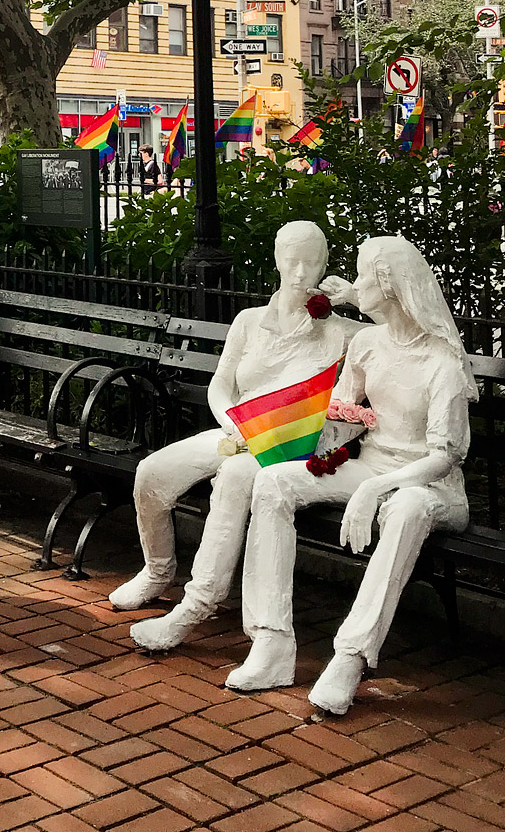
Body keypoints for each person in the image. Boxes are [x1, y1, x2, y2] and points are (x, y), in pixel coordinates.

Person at [227, 236, 474, 715]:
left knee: (406, 507)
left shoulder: (442, 362)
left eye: (363, 276)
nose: (355, 284)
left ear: (389, 285)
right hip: (370, 469)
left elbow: (445, 455)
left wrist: (372, 491)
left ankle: (350, 656)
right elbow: (341, 418)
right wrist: (317, 450)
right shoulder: (367, 343)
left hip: (430, 485)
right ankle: (272, 642)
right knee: (274, 482)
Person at [111, 221, 360, 652]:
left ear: (326, 264)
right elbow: (221, 385)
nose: (301, 272)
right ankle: (157, 569)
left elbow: (415, 335)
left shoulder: (341, 332)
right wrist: (231, 421)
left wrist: (358, 299)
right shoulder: (249, 321)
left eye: (312, 261)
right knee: (152, 473)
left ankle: (200, 602)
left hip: (290, 446)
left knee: (234, 478)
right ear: (277, 259)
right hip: (237, 428)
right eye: (292, 260)